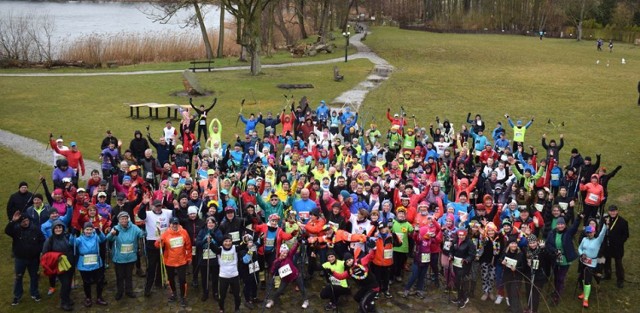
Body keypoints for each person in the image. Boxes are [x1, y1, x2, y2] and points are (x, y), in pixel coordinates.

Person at [5, 210, 45, 306]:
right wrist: (13, 221)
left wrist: (38, 250)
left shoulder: (35, 229)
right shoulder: (16, 229)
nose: (25, 222)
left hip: (33, 259)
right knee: (18, 277)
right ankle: (17, 296)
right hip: (20, 259)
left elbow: (42, 240)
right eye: (22, 221)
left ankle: (34, 293)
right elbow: (7, 231)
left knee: (34, 276)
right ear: (19, 222)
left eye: (26, 220)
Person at [137, 196, 174, 296]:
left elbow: (175, 211)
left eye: (159, 206)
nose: (158, 208)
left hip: (164, 242)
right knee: (152, 266)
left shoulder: (166, 212)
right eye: (156, 206)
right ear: (152, 206)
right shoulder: (148, 214)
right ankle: (148, 288)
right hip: (152, 243)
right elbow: (140, 215)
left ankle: (159, 281)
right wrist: (144, 204)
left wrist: (171, 202)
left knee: (162, 263)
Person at [155, 216, 192, 307]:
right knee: (171, 279)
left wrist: (189, 258)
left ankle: (183, 297)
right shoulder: (165, 234)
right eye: (173, 224)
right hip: (169, 261)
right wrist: (158, 241)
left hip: (181, 260)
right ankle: (174, 293)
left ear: (179, 224)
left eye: (176, 224)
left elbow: (188, 246)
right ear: (170, 224)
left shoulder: (184, 232)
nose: (175, 225)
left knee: (182, 279)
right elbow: (158, 246)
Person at [41, 220, 76, 311]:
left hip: (70, 264)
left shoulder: (67, 236)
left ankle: (67, 298)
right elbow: (45, 255)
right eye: (56, 228)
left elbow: (73, 247)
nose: (58, 229)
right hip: (59, 266)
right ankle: (64, 302)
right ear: (53, 229)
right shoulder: (49, 240)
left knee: (68, 283)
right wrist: (56, 257)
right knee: (65, 284)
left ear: (63, 228)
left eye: (60, 227)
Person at [265, 240, 309, 309]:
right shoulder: (277, 261)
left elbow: (293, 249)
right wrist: (277, 262)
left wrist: (297, 243)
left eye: (286, 253)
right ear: (280, 252)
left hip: (295, 275)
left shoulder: (289, 256)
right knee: (279, 290)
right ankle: (272, 300)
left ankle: (306, 300)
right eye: (283, 252)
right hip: (285, 278)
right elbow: (272, 271)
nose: (284, 254)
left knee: (302, 288)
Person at [76, 222, 108, 307]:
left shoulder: (96, 237)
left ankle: (99, 297)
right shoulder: (80, 239)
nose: (89, 231)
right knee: (86, 282)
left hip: (96, 262)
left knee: (100, 280)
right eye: (87, 229)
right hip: (84, 263)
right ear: (84, 230)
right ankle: (88, 298)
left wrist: (99, 232)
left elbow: (103, 239)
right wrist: (72, 235)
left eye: (90, 229)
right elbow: (73, 243)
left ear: (93, 230)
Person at [577, 222, 608, 308]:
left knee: (587, 281)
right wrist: (582, 254)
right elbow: (579, 248)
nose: (589, 234)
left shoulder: (598, 240)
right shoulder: (584, 239)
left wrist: (605, 224)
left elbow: (602, 233)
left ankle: (586, 299)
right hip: (583, 262)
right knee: (582, 279)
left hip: (591, 264)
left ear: (594, 232)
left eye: (591, 232)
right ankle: (584, 293)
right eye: (587, 232)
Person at [214, 234, 242, 313]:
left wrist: (246, 241)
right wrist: (209, 241)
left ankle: (237, 308)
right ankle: (221, 308)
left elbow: (243, 246)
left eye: (230, 241)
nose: (228, 243)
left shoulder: (235, 248)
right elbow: (212, 247)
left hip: (234, 275)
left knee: (237, 295)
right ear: (223, 242)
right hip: (223, 276)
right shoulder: (219, 249)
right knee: (222, 296)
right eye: (226, 241)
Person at [603, 205, 629, 288]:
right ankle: (607, 274)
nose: (613, 212)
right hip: (607, 245)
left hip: (617, 247)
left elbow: (626, 235)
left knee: (618, 264)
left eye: (614, 211)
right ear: (609, 212)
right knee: (607, 261)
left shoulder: (623, 222)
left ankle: (620, 280)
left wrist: (619, 242)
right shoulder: (606, 219)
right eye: (611, 211)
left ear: (617, 211)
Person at [500, 239, 525, 313]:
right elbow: (500, 260)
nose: (514, 245)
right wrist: (502, 262)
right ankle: (512, 307)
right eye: (512, 243)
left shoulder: (521, 254)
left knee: (514, 293)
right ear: (509, 245)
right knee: (509, 292)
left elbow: (524, 267)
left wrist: (516, 269)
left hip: (516, 277)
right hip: (507, 276)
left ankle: (515, 310)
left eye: (515, 243)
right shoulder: (505, 252)